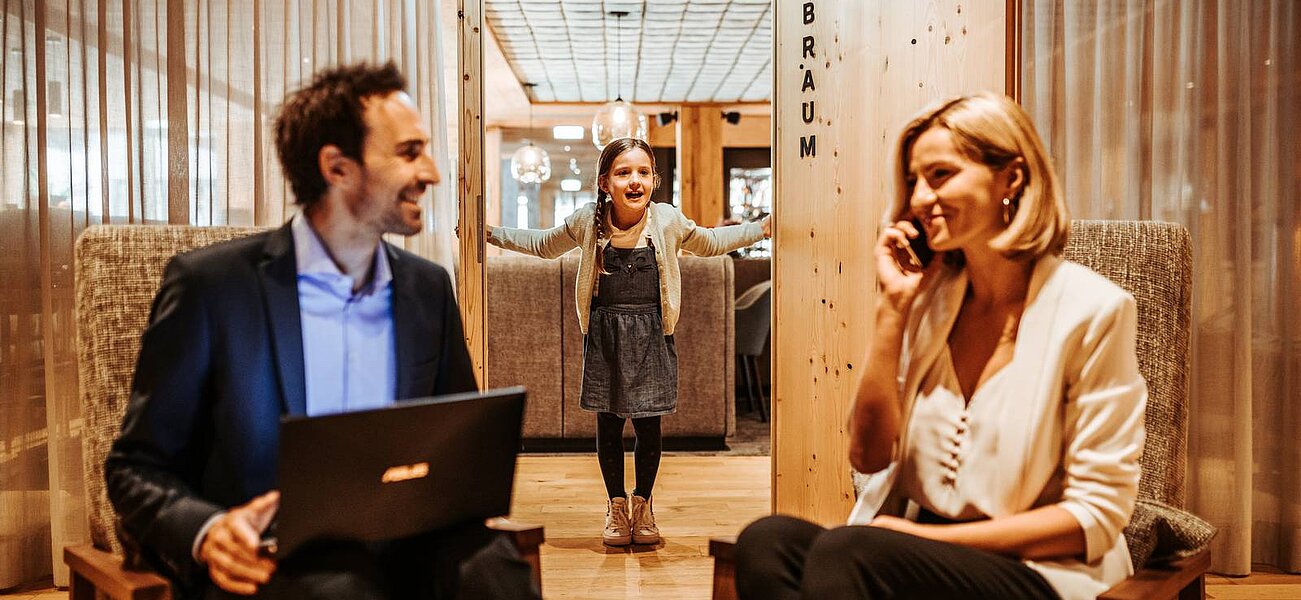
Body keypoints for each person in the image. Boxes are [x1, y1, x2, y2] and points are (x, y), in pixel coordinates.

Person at [104, 62, 539, 600]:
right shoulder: (212, 287)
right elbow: (135, 467)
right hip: (274, 560)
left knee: (493, 572)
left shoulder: (428, 290)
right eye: (409, 153)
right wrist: (208, 531)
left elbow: (456, 455)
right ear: (337, 167)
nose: (432, 173)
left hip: (412, 543)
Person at [733, 93, 1147, 600]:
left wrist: (926, 539)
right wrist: (893, 308)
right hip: (912, 550)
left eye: (940, 175)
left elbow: (1094, 518)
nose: (918, 199)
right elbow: (867, 456)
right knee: (767, 541)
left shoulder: (1094, 310)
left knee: (852, 553)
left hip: (1037, 570)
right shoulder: (933, 302)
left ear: (1011, 178)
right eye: (913, 181)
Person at [487, 137, 772, 547]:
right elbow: (545, 245)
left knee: (648, 426)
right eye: (623, 172)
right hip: (605, 334)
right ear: (605, 182)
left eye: (643, 172)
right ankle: (616, 507)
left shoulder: (667, 220)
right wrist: (493, 234)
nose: (634, 180)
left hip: (652, 334)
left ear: (654, 179)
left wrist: (760, 228)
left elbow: (709, 242)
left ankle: (643, 504)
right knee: (608, 424)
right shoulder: (589, 221)